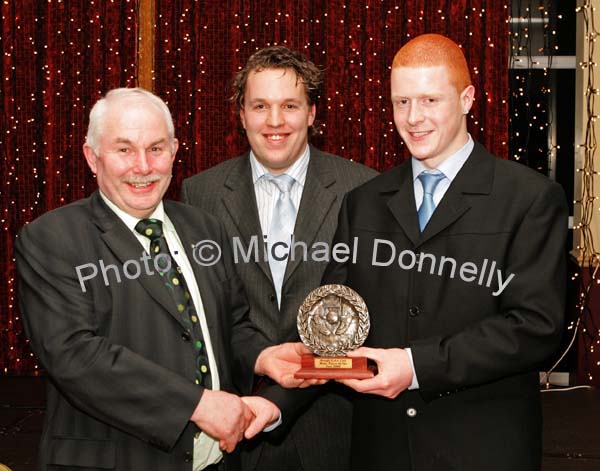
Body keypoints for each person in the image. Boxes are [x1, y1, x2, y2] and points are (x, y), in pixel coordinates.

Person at [15, 88, 310, 471]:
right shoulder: (51, 238)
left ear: (173, 151)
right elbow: (75, 355)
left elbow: (231, 324)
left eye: (155, 148)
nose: (143, 166)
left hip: (216, 460)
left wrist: (262, 357)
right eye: (124, 150)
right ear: (92, 157)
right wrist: (197, 404)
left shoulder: (204, 228)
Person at [322, 34, 568, 471]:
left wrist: (416, 365)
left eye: (430, 100)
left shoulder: (530, 198)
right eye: (401, 102)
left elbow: (536, 327)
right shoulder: (362, 202)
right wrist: (281, 387)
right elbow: (335, 317)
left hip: (483, 450)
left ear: (468, 99)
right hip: (382, 450)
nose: (413, 118)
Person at [182, 46, 377, 471]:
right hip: (235, 426)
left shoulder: (362, 190)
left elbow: (367, 311)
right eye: (260, 106)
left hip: (332, 425)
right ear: (241, 114)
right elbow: (205, 313)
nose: (274, 121)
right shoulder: (200, 195)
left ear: (311, 113)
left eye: (289, 105)